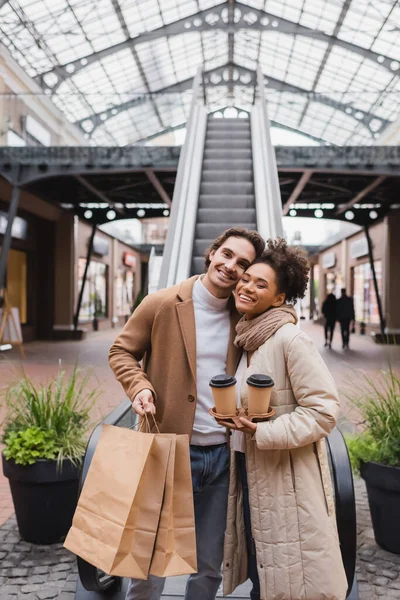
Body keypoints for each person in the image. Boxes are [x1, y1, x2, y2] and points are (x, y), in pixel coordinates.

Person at [108, 227, 265, 600]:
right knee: (149, 562)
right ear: (212, 253)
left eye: (242, 264)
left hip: (222, 456)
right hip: (167, 450)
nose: (231, 266)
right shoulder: (161, 303)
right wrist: (140, 386)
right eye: (227, 255)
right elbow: (121, 351)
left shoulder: (244, 316)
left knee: (210, 563)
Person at [220, 238, 348, 600]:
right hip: (250, 467)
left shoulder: (290, 339)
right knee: (265, 567)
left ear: (279, 299)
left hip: (285, 477)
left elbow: (323, 411)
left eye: (262, 285)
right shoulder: (247, 337)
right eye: (247, 279)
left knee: (288, 574)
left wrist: (263, 431)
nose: (247, 287)